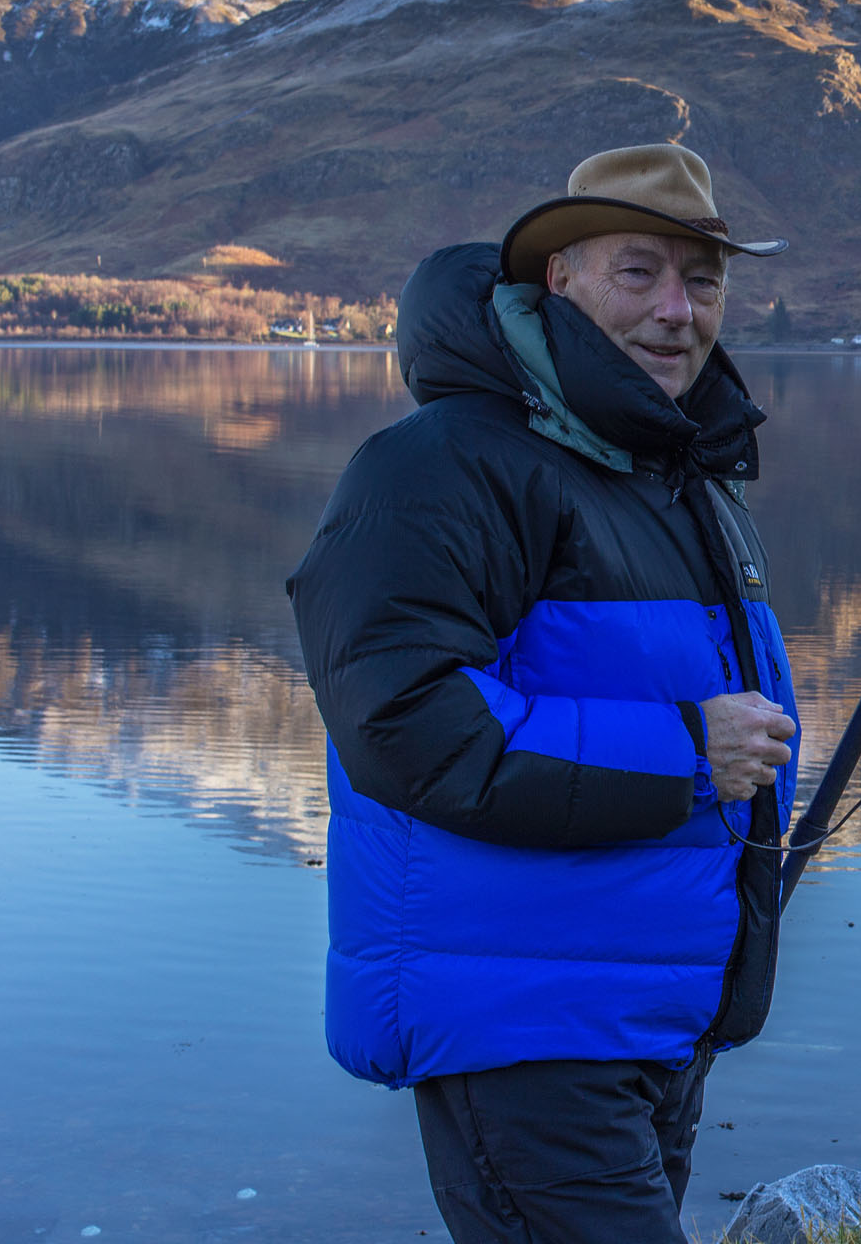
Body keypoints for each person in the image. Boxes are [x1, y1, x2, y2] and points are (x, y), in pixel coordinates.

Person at [289, 144, 800, 1243]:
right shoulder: (441, 465)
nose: (677, 310)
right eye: (639, 273)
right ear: (556, 279)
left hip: (645, 1013)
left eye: (702, 280)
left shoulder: (672, 470)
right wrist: (684, 750)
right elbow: (403, 722)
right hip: (524, 1027)